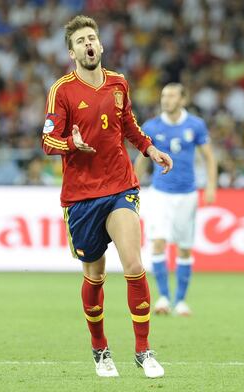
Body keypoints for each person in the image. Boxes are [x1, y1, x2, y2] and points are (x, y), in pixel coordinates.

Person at [41, 15, 172, 378]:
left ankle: (144, 350)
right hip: (81, 197)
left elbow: (128, 123)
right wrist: (71, 143)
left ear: (100, 45)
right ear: (72, 53)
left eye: (92, 38)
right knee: (95, 277)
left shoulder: (118, 82)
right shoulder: (62, 90)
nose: (88, 44)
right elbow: (47, 139)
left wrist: (149, 148)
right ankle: (100, 350)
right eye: (81, 40)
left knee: (134, 266)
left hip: (120, 187)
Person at [135, 83, 217, 316]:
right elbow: (141, 161)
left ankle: (180, 301)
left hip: (187, 194)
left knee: (184, 248)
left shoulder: (195, 125)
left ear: (183, 99)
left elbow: (209, 158)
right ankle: (163, 297)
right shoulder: (152, 126)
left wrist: (211, 186)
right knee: (158, 242)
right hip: (160, 193)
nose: (166, 100)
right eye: (164, 96)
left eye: (171, 96)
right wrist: (133, 186)